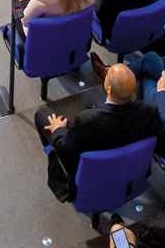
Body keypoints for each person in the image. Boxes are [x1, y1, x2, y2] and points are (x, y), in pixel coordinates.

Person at [31, 63, 157, 201]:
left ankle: (57, 164)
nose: (105, 71)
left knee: (42, 114)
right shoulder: (148, 112)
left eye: (107, 73)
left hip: (89, 179)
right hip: (128, 173)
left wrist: (58, 130)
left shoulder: (87, 121)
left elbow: (65, 149)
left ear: (108, 89)